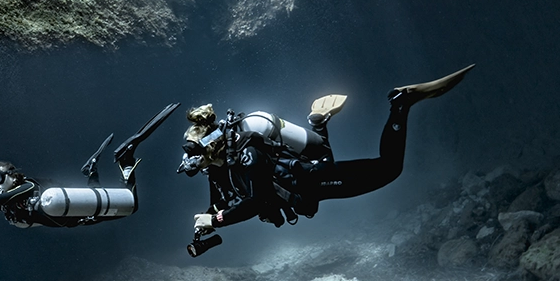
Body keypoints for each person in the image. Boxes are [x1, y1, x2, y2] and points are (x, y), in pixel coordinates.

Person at [180, 64, 474, 256]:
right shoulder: (216, 167)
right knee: (346, 164)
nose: (190, 162)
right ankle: (319, 123)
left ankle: (401, 102)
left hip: (311, 180)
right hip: (305, 186)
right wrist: (206, 220)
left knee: (389, 168)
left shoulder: (247, 153)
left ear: (210, 146)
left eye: (194, 154)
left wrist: (216, 221)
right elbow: (219, 204)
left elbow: (255, 202)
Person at [0, 104, 179, 229]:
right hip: (70, 218)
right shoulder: (10, 200)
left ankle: (125, 160)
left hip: (67, 214)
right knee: (98, 201)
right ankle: (92, 168)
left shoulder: (26, 187)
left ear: (12, 175)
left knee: (130, 207)